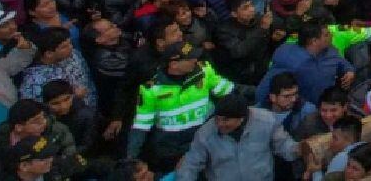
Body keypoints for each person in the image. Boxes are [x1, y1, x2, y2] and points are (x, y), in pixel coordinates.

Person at [126, 42, 236, 173]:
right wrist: (131, 158)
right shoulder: (151, 89)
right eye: (190, 59)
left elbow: (229, 90)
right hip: (170, 150)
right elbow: (141, 125)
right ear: (173, 64)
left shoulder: (204, 71)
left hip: (205, 141)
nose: (195, 60)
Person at [177, 93, 310, 181]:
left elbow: (285, 147)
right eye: (217, 119)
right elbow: (191, 164)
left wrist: (302, 148)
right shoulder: (205, 133)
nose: (219, 124)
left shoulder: (267, 121)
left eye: (226, 120)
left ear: (241, 119)